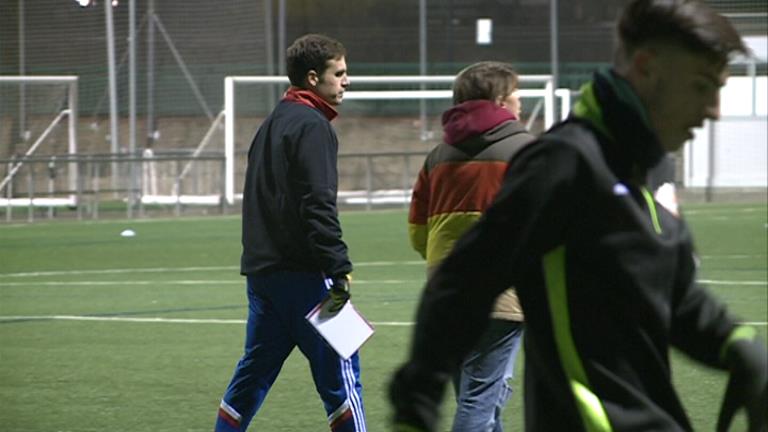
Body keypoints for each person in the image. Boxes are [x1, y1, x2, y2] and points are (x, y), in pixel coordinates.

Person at [389, 1, 767, 431]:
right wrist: (415, 404)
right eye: (702, 87)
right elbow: (462, 282)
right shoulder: (562, 162)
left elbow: (671, 295)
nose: (715, 109)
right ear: (646, 69)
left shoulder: (651, 164)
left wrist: (735, 343)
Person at [215, 33, 366, 432]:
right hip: (307, 275)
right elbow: (318, 203)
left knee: (251, 377)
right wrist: (339, 266)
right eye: (340, 73)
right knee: (343, 375)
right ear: (314, 78)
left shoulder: (271, 124)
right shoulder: (313, 126)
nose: (346, 81)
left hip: (264, 275)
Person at [407, 61, 534, 432]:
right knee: (479, 398)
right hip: (501, 293)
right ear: (498, 100)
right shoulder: (526, 150)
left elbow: (418, 231)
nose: (521, 100)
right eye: (516, 92)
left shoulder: (437, 157)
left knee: (478, 392)